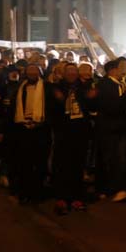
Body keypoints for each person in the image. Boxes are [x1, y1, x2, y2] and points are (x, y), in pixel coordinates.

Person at [47, 63, 91, 214]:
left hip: (80, 132)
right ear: (64, 73)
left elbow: (90, 105)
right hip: (63, 132)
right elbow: (51, 109)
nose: (72, 73)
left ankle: (77, 197)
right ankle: (62, 198)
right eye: (69, 71)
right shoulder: (56, 88)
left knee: (78, 165)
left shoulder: (83, 88)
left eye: (74, 71)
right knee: (62, 165)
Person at [8, 63, 51, 204]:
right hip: (23, 128)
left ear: (40, 73)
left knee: (40, 162)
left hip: (41, 128)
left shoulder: (47, 87)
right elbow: (13, 108)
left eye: (35, 71)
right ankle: (24, 191)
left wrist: (41, 123)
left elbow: (51, 109)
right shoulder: (20, 87)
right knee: (24, 162)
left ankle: (37, 192)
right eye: (30, 71)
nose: (32, 73)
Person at [94, 58, 126, 202]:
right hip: (109, 128)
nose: (123, 70)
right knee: (111, 159)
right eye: (120, 68)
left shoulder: (120, 84)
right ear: (112, 70)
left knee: (119, 158)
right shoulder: (105, 85)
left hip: (120, 128)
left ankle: (116, 187)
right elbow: (111, 106)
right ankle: (111, 188)